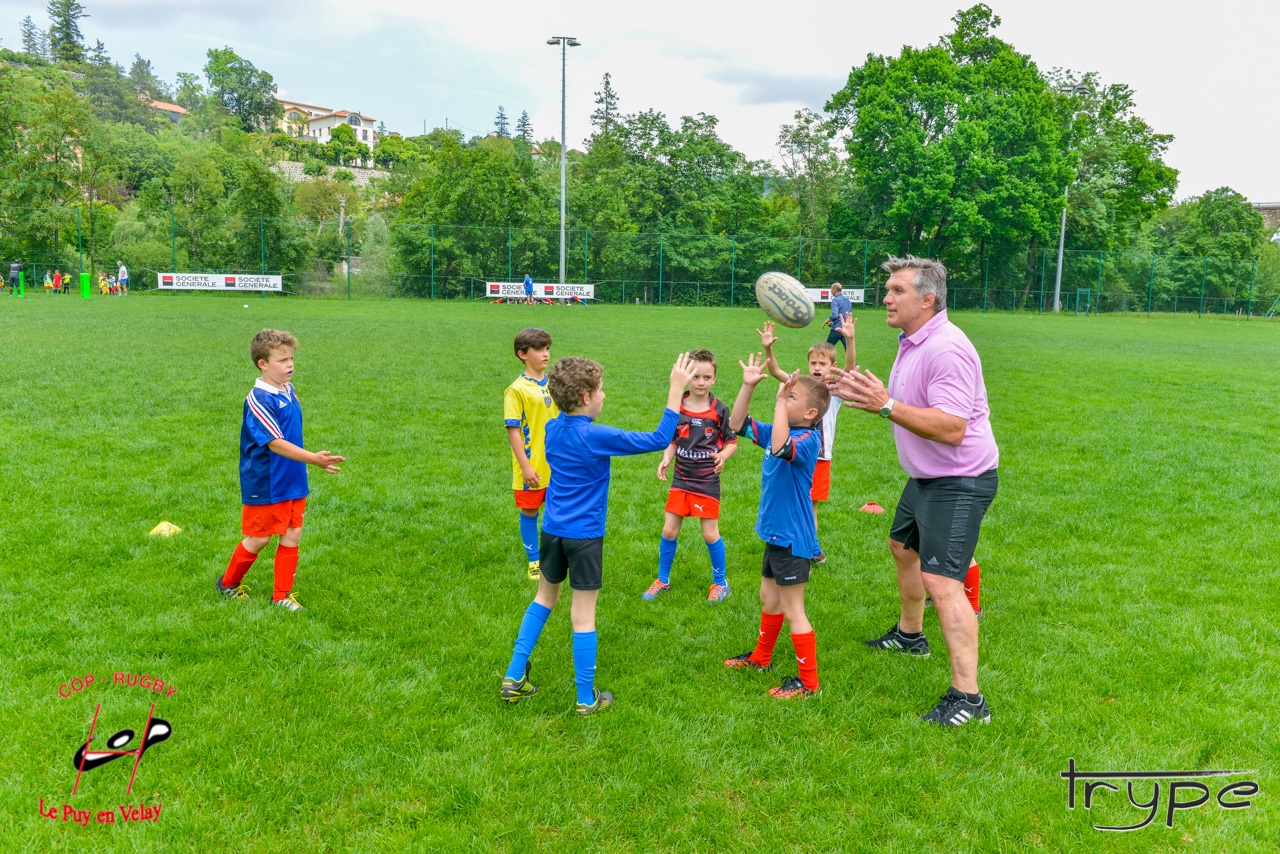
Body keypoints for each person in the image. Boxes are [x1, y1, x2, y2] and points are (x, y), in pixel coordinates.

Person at [833, 255, 999, 727]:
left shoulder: (947, 349)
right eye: (888, 289)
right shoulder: (913, 340)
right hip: (927, 475)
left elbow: (951, 428)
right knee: (902, 547)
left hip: (959, 479)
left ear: (927, 299)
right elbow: (906, 402)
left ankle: (969, 699)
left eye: (896, 291)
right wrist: (867, 393)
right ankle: (910, 636)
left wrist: (885, 405)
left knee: (943, 582)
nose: (886, 297)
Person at [500, 352, 696, 716]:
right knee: (583, 616)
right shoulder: (596, 435)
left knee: (544, 598)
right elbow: (658, 438)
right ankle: (586, 699)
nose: (605, 396)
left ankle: (513, 676)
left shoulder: (552, 428)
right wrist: (675, 390)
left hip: (552, 531)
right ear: (586, 396)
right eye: (601, 390)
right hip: (584, 537)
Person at [723, 354, 830, 700]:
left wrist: (779, 403)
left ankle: (809, 683)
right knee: (769, 599)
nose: (784, 396)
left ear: (810, 413)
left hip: (793, 538)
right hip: (775, 534)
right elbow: (736, 425)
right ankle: (761, 658)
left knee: (793, 609)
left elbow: (783, 447)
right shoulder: (779, 431)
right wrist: (748, 386)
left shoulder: (807, 440)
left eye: (792, 396)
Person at [216, 329, 346, 612]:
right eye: (282, 360)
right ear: (263, 364)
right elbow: (274, 442)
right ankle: (226, 584)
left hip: (292, 475)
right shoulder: (259, 399)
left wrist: (302, 464)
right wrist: (313, 459)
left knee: (292, 534)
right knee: (260, 538)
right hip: (267, 480)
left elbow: (290, 434)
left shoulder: (288, 390)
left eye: (291, 359)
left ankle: (281, 597)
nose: (290, 365)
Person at [758, 314, 857, 563]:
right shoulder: (800, 386)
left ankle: (811, 548)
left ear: (832, 366)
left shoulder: (833, 390)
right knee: (797, 501)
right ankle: (807, 547)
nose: (817, 367)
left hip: (820, 458)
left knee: (810, 505)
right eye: (813, 362)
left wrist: (850, 340)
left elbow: (849, 369)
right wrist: (768, 348)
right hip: (795, 452)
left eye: (823, 363)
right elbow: (775, 371)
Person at [643, 349, 738, 603]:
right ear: (687, 378)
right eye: (695, 377)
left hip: (707, 481)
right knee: (669, 530)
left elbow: (732, 443)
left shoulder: (720, 410)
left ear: (714, 378)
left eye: (707, 377)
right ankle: (662, 580)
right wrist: (666, 457)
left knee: (710, 534)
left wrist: (723, 456)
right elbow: (672, 440)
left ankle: (721, 583)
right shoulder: (677, 408)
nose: (701, 382)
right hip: (681, 479)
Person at [504, 328, 557, 581]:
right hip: (532, 464)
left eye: (547, 348)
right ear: (522, 354)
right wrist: (525, 467)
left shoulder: (556, 383)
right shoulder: (516, 390)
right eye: (539, 349)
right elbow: (513, 430)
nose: (545, 354)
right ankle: (534, 560)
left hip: (558, 463)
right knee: (530, 512)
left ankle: (555, 555)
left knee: (559, 511)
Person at [822, 283, 855, 350]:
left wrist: (826, 321)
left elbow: (835, 316)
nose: (831, 291)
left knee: (826, 350)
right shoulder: (847, 300)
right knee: (849, 350)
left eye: (831, 289)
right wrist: (834, 322)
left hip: (836, 329)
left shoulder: (835, 300)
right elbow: (849, 315)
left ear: (835, 290)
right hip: (846, 329)